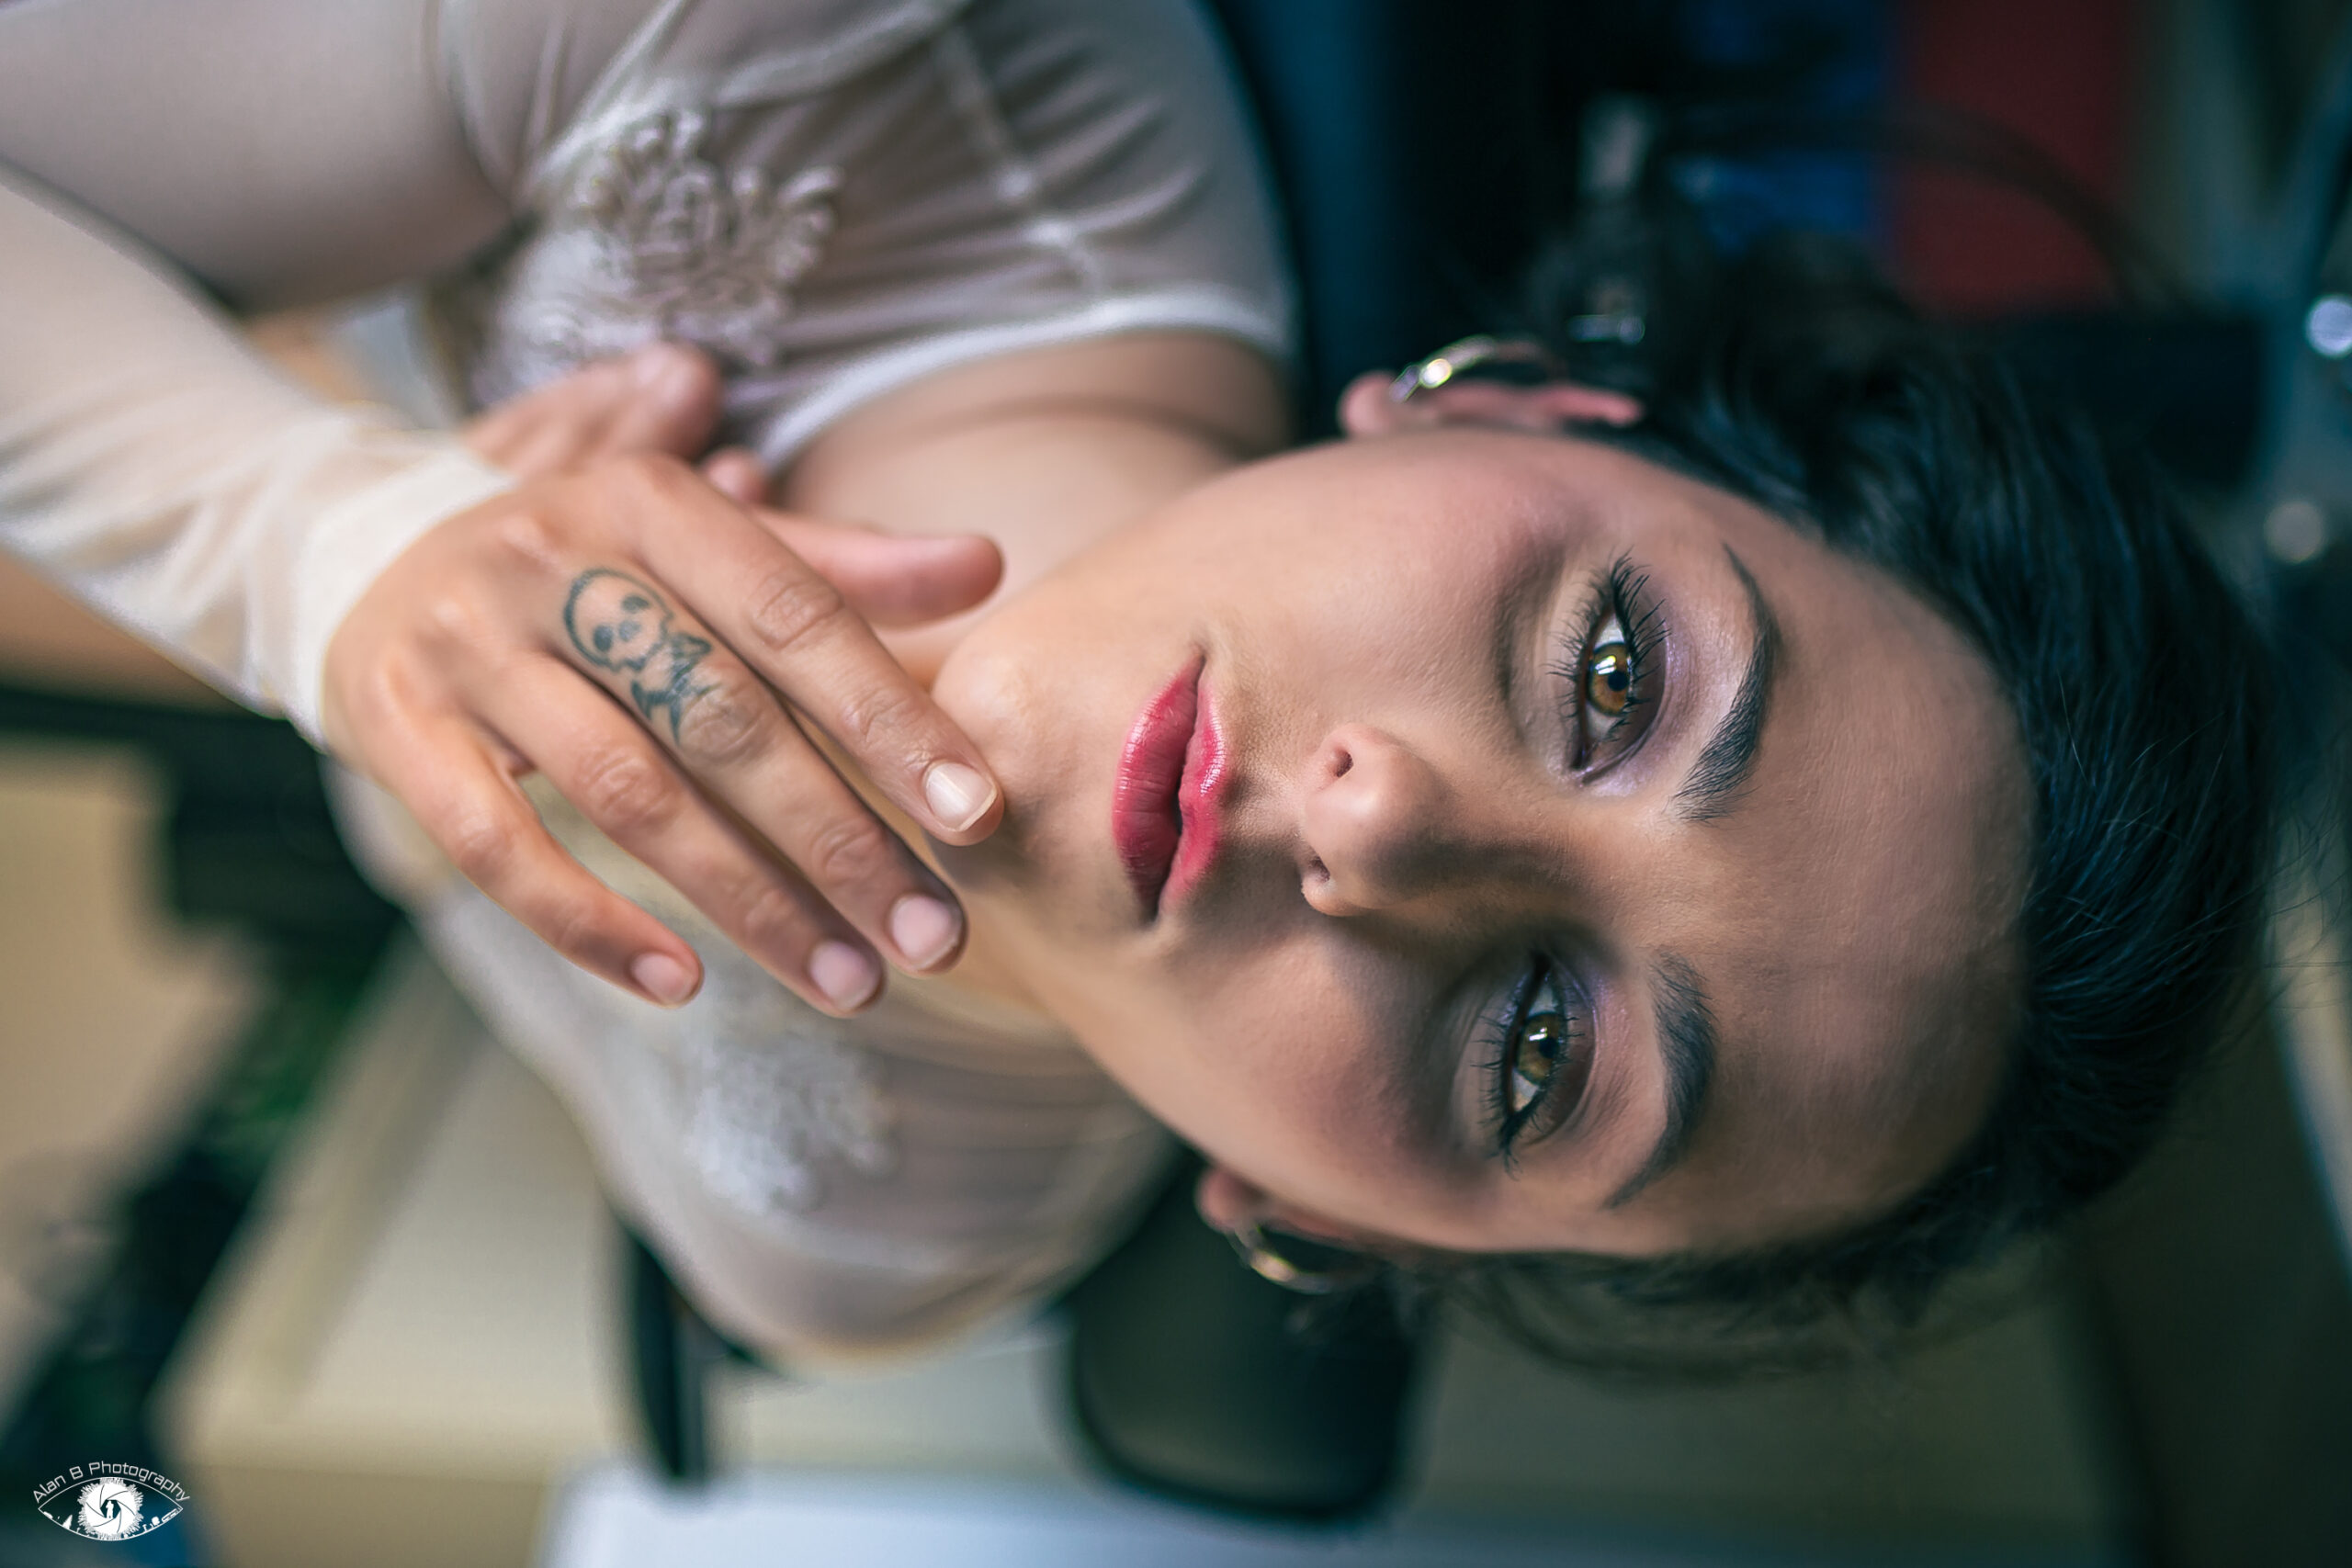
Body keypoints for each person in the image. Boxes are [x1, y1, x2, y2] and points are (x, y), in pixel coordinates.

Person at [0, 0, 2279, 1373]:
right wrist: (305, 536)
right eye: (1611, 673)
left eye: (1540, 1046)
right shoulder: (794, 42)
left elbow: (425, 842)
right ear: (1514, 407)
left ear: (1340, 1224)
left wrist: (442, 690)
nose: (1384, 822)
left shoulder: (863, 1246)